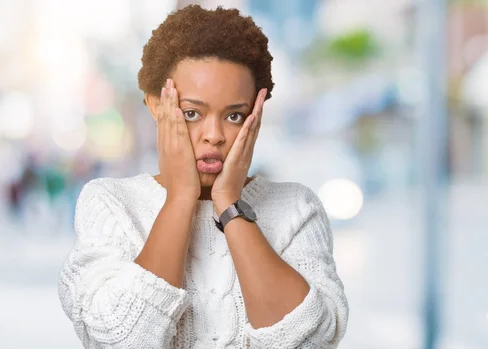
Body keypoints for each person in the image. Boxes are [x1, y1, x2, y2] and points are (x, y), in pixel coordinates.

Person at [58, 5, 348, 349]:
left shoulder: (297, 208)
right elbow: (121, 339)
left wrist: (229, 204)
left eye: (235, 116)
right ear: (155, 106)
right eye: (192, 113)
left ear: (257, 113)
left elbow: (311, 341)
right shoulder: (110, 204)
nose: (214, 135)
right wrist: (180, 198)